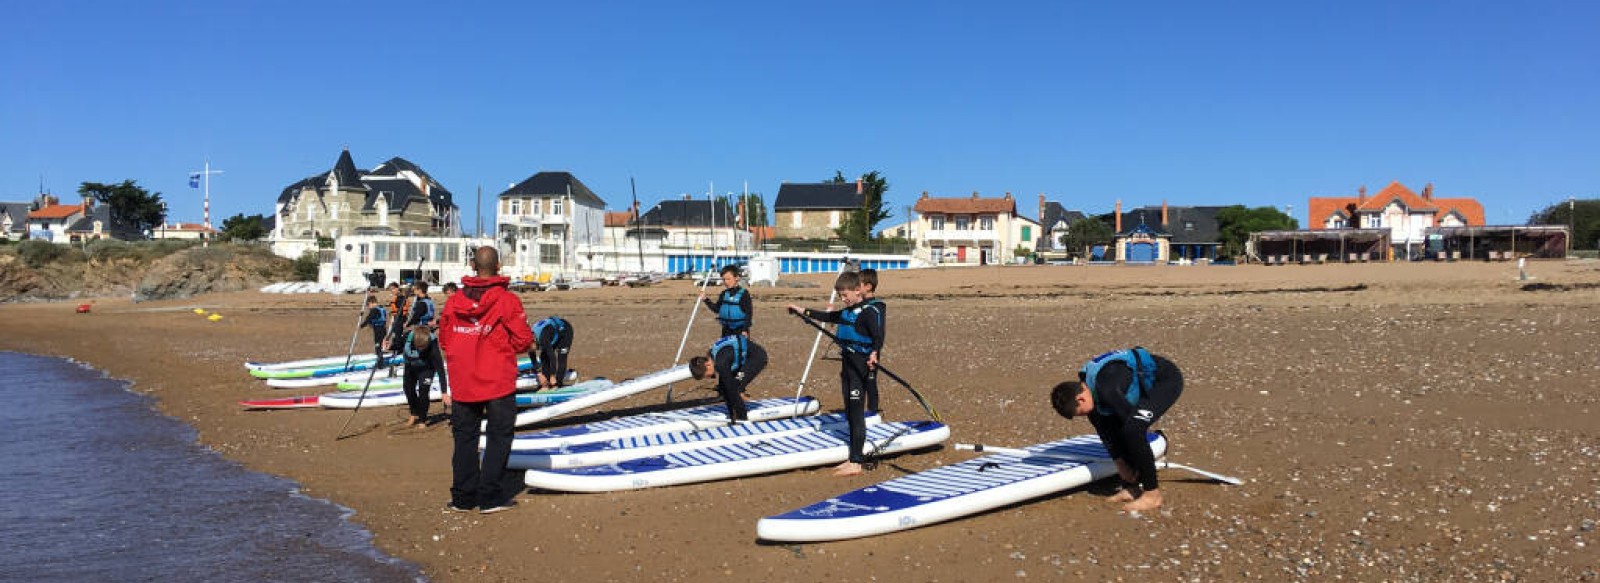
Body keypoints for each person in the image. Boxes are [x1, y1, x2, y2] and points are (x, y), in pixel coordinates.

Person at [438, 246, 533, 515]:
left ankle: (464, 496)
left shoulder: (455, 299)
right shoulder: (504, 300)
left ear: (472, 265)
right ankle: (488, 496)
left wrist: (479, 348)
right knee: (498, 436)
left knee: (465, 438)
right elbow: (524, 339)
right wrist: (498, 349)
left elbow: (445, 339)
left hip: (466, 379)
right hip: (496, 379)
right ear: (499, 266)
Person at [1050, 347, 1184, 513]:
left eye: (1081, 413)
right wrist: (1121, 464)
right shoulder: (1089, 389)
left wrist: (1136, 462)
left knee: (1132, 429)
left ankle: (1152, 494)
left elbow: (1131, 427)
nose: (1084, 416)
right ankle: (1131, 488)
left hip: (1164, 380)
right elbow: (1105, 432)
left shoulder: (1108, 390)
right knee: (1108, 424)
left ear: (1081, 398)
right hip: (1125, 387)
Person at [786, 270, 885, 477]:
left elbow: (878, 336)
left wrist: (874, 353)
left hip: (861, 366)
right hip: (847, 365)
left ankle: (856, 462)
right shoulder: (847, 312)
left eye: (845, 294)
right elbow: (827, 316)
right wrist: (802, 310)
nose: (842, 298)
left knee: (857, 414)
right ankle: (852, 456)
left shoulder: (869, 312)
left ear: (858, 290)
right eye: (840, 295)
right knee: (849, 411)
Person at [688, 334, 768, 422]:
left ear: (707, 364)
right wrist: (731, 413)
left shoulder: (721, 363)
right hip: (744, 358)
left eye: (707, 375)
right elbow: (725, 388)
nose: (709, 377)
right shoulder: (712, 356)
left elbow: (732, 390)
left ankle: (742, 416)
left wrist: (740, 419)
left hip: (757, 358)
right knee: (723, 388)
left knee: (736, 388)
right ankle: (735, 413)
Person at [399, 325, 448, 427]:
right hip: (411, 366)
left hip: (427, 369)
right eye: (419, 347)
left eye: (423, 348)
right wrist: (389, 345)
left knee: (423, 390)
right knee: (408, 389)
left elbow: (440, 369)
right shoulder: (408, 337)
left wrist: (444, 392)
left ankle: (422, 419)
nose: (421, 350)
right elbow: (397, 345)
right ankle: (414, 413)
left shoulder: (432, 345)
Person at [699, 265, 752, 337]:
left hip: (740, 330)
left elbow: (749, 313)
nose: (726, 282)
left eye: (728, 279)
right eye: (724, 279)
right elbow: (717, 309)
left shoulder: (744, 294)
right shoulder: (724, 294)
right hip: (726, 330)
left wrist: (745, 329)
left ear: (737, 278)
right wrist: (705, 299)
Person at [857, 269, 882, 414]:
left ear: (868, 286)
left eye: (858, 284)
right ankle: (857, 411)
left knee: (870, 382)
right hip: (857, 351)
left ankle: (873, 411)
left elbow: (879, 334)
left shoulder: (877, 306)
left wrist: (875, 352)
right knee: (856, 383)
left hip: (871, 352)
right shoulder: (857, 305)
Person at [529, 316, 573, 390]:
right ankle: (545, 384)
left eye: (532, 348)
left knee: (561, 358)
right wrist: (539, 374)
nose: (533, 351)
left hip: (565, 332)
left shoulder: (543, 339)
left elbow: (552, 358)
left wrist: (552, 376)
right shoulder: (528, 342)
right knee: (543, 357)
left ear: (534, 341)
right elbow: (534, 360)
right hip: (553, 335)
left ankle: (558, 384)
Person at [357, 295, 387, 361]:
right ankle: (381, 355)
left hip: (378, 329)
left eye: (368, 304)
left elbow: (369, 318)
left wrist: (362, 325)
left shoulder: (374, 310)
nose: (368, 307)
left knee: (378, 344)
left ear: (372, 302)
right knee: (381, 343)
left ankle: (380, 361)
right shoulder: (381, 308)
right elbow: (377, 318)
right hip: (383, 329)